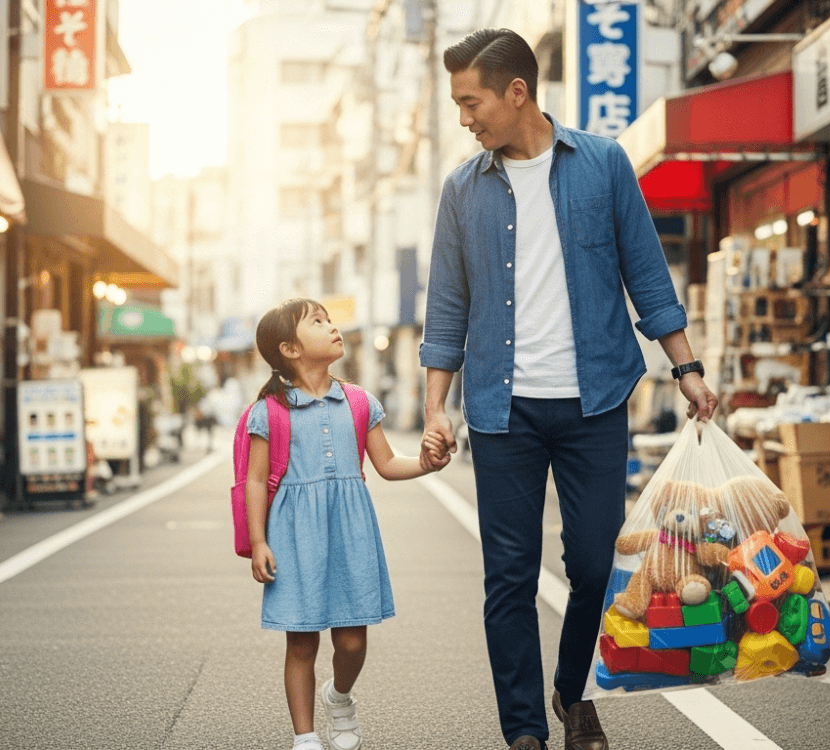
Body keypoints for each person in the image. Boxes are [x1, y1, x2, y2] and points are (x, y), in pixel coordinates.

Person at [419, 28, 718, 750]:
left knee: (594, 564)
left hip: (595, 400)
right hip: (501, 409)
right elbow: (447, 308)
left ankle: (570, 687)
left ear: (516, 91)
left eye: (471, 101)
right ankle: (524, 731)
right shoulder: (463, 189)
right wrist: (435, 406)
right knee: (509, 578)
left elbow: (645, 273)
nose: (464, 118)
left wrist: (688, 368)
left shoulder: (604, 164)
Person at [246, 298, 449, 750]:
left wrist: (427, 464)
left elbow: (387, 464)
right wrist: (259, 540)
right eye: (317, 323)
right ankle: (304, 737)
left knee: (353, 641)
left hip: (351, 532)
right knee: (301, 643)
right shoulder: (271, 411)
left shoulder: (358, 401)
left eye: (328, 320)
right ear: (290, 350)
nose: (331, 327)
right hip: (295, 537)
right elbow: (256, 480)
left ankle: (339, 697)